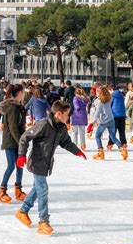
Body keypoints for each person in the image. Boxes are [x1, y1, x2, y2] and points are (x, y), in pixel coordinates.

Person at [15, 100, 87, 236]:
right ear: (59, 114)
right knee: (42, 189)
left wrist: (77, 151)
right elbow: (25, 137)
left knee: (37, 189)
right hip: (36, 162)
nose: (68, 116)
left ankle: (22, 211)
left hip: (46, 163)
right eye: (67, 114)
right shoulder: (43, 125)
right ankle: (43, 221)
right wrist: (21, 155)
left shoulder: (61, 128)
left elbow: (66, 142)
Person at [0, 84, 28, 203]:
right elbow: (13, 128)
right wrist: (22, 142)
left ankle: (18, 190)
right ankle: (2, 191)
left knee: (19, 165)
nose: (24, 94)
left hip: (17, 140)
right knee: (11, 165)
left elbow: (21, 126)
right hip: (11, 141)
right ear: (20, 93)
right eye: (24, 92)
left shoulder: (19, 107)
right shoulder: (12, 108)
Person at [87, 87, 128, 161]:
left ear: (99, 94)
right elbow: (110, 94)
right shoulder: (110, 99)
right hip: (111, 120)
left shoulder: (100, 104)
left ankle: (101, 153)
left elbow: (96, 115)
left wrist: (91, 124)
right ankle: (122, 150)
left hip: (103, 123)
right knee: (113, 137)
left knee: (97, 136)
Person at [106, 84, 127, 150]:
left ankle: (110, 143)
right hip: (122, 115)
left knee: (112, 131)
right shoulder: (121, 95)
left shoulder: (112, 95)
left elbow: (109, 105)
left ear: (111, 89)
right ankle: (124, 143)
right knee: (122, 130)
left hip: (114, 115)